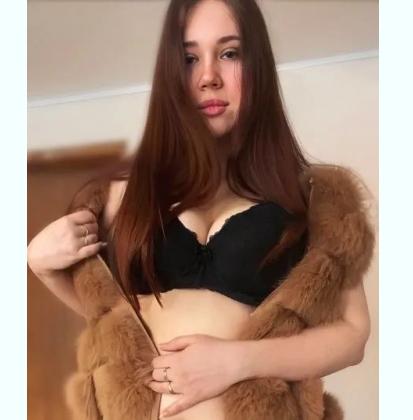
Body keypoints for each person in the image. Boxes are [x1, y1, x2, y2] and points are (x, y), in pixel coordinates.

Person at [27, 0, 372, 419]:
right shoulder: (121, 194)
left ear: (257, 64)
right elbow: (111, 321)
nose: (208, 77)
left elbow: (353, 336)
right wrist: (42, 266)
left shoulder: (316, 198)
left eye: (229, 53)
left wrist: (238, 361)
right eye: (189, 59)